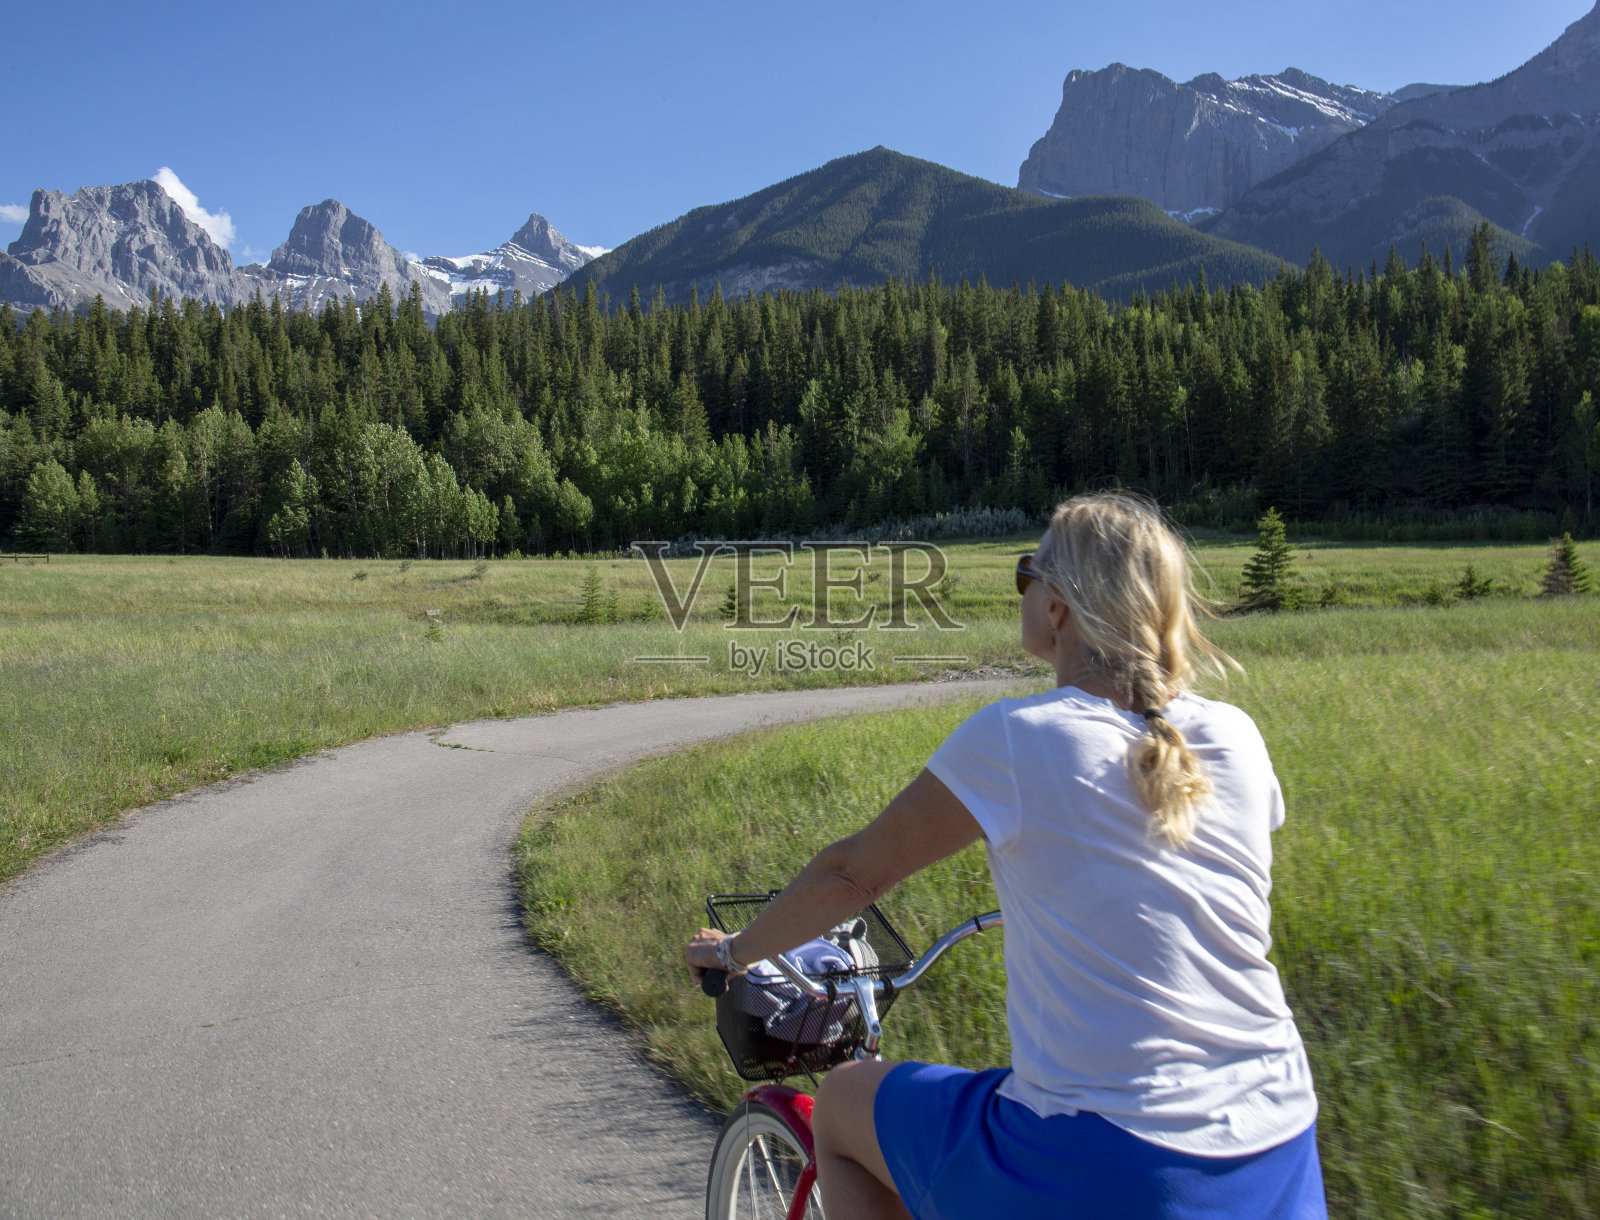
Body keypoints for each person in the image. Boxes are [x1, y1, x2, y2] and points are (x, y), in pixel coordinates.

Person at [686, 492, 1326, 1219]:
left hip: (1112, 1154)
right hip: (1279, 1143)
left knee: (839, 1103)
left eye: (1028, 574)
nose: (1023, 590)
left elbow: (852, 873)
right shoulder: (1236, 736)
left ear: (1057, 605)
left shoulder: (1022, 736)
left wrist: (737, 953)